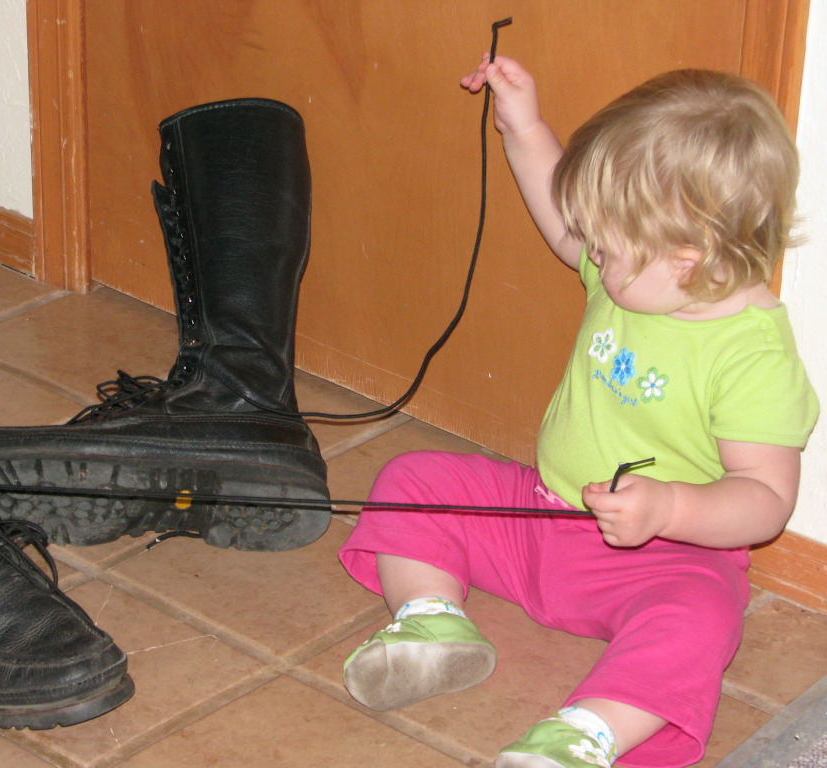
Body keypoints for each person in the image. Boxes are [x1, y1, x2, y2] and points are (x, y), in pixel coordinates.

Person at [337, 55, 820, 768]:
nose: (588, 251)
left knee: (702, 617)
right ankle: (431, 621)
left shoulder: (753, 355)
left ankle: (586, 733)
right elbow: (561, 221)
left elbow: (766, 499)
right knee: (414, 478)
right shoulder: (637, 272)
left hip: (661, 560)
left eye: (605, 245)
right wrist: (524, 126)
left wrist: (670, 509)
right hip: (538, 515)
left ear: (686, 259)